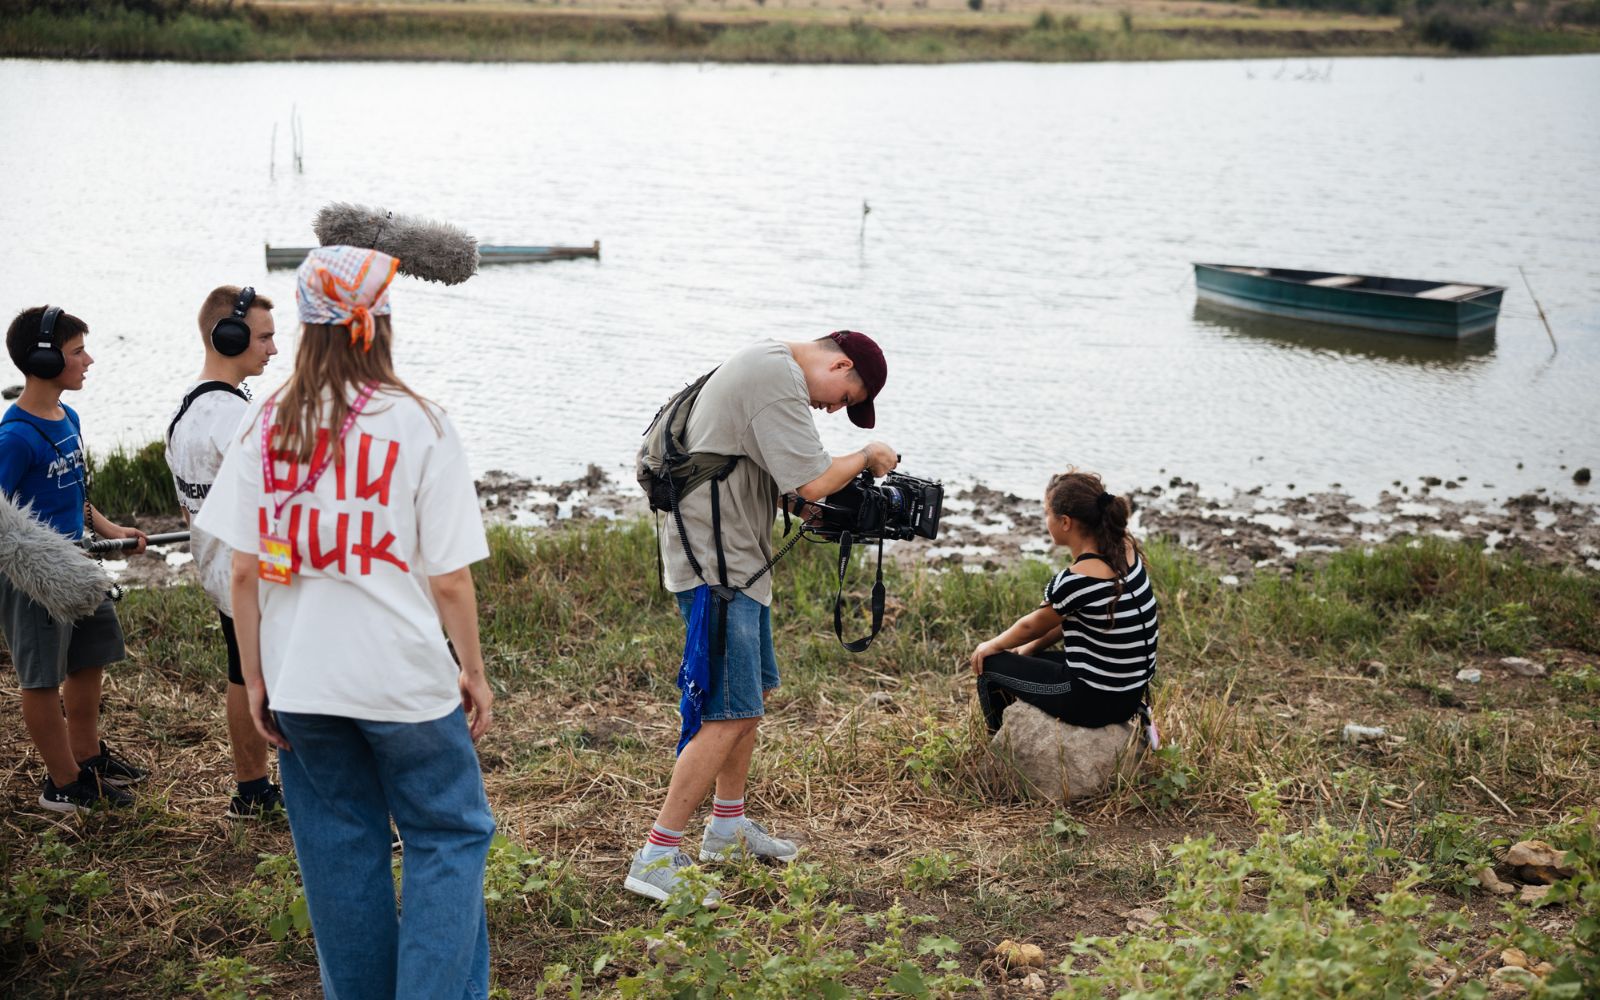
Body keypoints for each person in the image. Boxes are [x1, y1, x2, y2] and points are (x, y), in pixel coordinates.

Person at [194, 247, 496, 999]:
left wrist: (258, 676)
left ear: (302, 323)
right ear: (380, 320)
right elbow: (449, 576)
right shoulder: (421, 422)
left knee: (339, 853)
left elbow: (241, 569)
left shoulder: (264, 419)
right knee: (448, 836)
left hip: (302, 682)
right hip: (405, 682)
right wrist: (474, 670)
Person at [627, 331, 897, 903]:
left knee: (748, 705)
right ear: (840, 363)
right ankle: (655, 855)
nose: (836, 409)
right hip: (718, 572)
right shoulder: (777, 377)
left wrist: (802, 506)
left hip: (735, 566)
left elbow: (760, 474)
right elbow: (816, 478)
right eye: (847, 396)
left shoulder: (765, 366)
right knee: (725, 713)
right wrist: (868, 459)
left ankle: (726, 829)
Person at [0, 305, 149, 813]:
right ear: (42, 361)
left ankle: (86, 757)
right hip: (37, 577)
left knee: (89, 659)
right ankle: (62, 784)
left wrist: (110, 531)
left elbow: (75, 493)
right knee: (41, 678)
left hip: (79, 567)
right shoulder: (14, 438)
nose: (90, 360)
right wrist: (34, 563)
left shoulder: (69, 416)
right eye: (77, 351)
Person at [164, 284, 284, 819]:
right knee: (274, 682)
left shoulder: (186, 410)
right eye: (264, 338)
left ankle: (252, 788)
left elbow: (193, 505)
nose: (273, 350)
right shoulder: (234, 417)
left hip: (219, 571)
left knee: (243, 674)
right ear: (228, 336)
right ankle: (288, 796)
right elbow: (276, 502)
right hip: (254, 574)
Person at [969, 470, 1159, 734]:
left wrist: (991, 645)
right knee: (1023, 655)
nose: (1045, 520)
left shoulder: (1075, 580)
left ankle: (1002, 744)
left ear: (1066, 522)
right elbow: (1072, 617)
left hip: (1092, 702)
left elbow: (1031, 626)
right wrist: (1028, 651)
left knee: (989, 666)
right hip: (1128, 693)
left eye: (1047, 513)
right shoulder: (1124, 548)